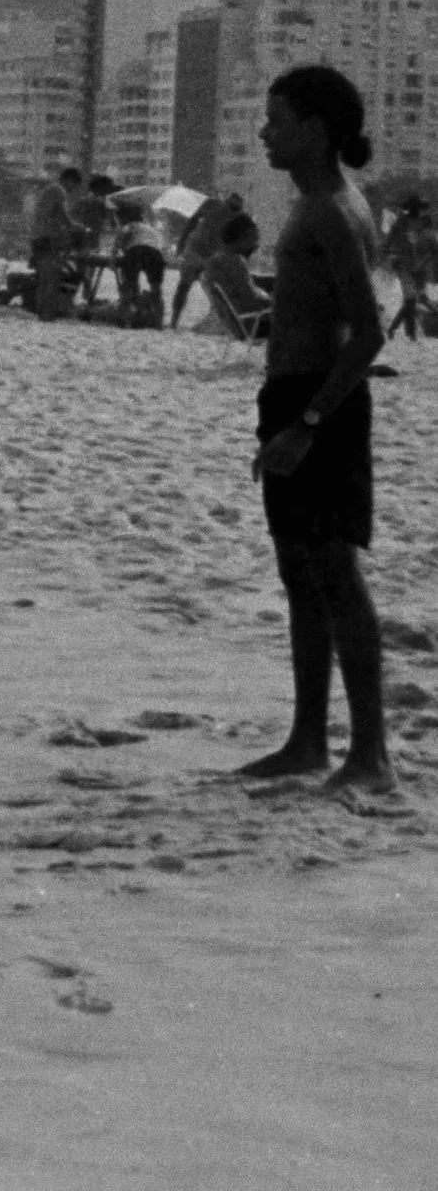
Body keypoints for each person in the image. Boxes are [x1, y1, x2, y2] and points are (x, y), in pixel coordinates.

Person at [238, 67, 390, 792]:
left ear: (315, 129)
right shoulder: (317, 206)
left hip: (321, 404)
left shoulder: (331, 209)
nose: (265, 132)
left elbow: (368, 333)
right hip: (296, 399)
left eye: (277, 120)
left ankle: (371, 755)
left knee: (334, 571)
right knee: (300, 574)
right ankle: (307, 740)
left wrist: (306, 422)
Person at [170, 190, 242, 328]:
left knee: (187, 287)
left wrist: (182, 242)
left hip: (205, 253)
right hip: (201, 252)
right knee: (197, 288)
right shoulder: (219, 207)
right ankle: (175, 321)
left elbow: (192, 222)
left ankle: (175, 321)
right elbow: (193, 221)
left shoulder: (218, 207)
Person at [24, 166, 82, 319]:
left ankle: (41, 310)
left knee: (43, 277)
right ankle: (48, 313)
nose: (73, 190)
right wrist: (75, 227)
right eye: (74, 186)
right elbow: (60, 214)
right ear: (69, 180)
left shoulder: (49, 190)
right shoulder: (58, 190)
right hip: (47, 238)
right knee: (52, 277)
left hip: (37, 237)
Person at [383, 194, 432, 342]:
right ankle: (411, 334)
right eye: (413, 209)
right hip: (404, 265)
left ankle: (395, 329)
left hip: (421, 265)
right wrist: (392, 256)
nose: (415, 211)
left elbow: (430, 242)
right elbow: (386, 246)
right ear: (409, 209)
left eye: (417, 209)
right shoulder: (399, 223)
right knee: (410, 299)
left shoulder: (426, 223)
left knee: (415, 299)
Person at [113, 203, 168, 328]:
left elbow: (117, 245)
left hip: (136, 251)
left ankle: (126, 320)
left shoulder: (127, 226)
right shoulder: (151, 229)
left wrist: (113, 261)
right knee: (156, 289)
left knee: (129, 285)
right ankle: (158, 322)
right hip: (155, 254)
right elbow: (159, 246)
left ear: (123, 218)